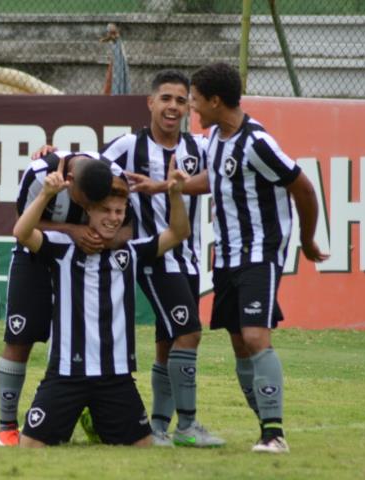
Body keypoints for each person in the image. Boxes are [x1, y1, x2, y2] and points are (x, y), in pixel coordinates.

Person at [186, 62, 329, 453]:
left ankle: (274, 434)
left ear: (216, 101)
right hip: (227, 257)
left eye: (196, 102)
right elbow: (215, 179)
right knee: (238, 343)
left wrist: (307, 239)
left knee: (254, 336)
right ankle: (264, 426)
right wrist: (169, 185)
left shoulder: (257, 143)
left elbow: (303, 188)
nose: (192, 109)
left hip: (259, 254)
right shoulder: (216, 137)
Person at [15, 156, 191, 447]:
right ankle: (79, 414)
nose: (113, 217)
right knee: (29, 447)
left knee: (142, 450)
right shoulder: (62, 249)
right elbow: (21, 233)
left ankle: (96, 416)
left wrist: (174, 193)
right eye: (105, 210)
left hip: (116, 377)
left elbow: (178, 233)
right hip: (66, 375)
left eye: (119, 211)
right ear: (88, 211)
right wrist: (46, 193)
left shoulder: (131, 253)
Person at [99, 70, 224, 447]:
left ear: (189, 108)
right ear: (150, 103)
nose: (173, 107)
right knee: (189, 333)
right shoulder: (126, 147)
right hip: (155, 259)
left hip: (188, 259)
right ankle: (186, 426)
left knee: (169, 342)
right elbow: (87, 171)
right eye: (166, 99)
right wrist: (51, 154)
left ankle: (156, 427)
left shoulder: (199, 149)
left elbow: (224, 175)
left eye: (181, 100)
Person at [0, 151, 127, 446]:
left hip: (85, 262)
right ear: (69, 181)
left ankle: (90, 412)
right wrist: (72, 230)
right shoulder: (39, 173)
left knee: (89, 342)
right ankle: (7, 425)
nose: (89, 207)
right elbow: (21, 224)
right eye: (85, 201)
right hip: (35, 255)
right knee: (19, 337)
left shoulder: (114, 173)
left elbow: (128, 227)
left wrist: (101, 239)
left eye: (97, 202)